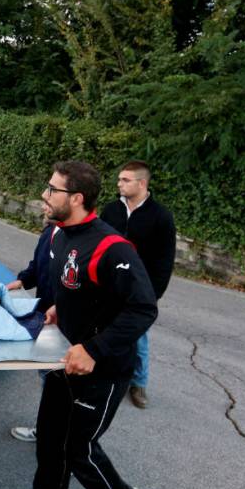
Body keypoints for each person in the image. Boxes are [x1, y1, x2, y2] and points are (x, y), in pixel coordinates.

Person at [5, 160, 157, 489]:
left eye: (51, 189)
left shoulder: (112, 247)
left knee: (80, 450)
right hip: (63, 358)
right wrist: (57, 308)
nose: (44, 194)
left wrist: (94, 348)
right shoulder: (57, 235)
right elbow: (68, 285)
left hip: (103, 368)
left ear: (75, 198)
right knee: (51, 436)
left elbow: (142, 308)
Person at [100, 160, 176, 409]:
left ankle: (138, 383)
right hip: (108, 285)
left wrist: (152, 294)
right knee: (102, 329)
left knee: (138, 338)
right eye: (119, 179)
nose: (119, 183)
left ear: (142, 183)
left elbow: (165, 260)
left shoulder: (161, 216)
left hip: (140, 290)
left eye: (125, 180)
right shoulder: (111, 210)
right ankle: (103, 375)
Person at [6, 219, 56, 442]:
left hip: (65, 325)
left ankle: (53, 435)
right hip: (46, 318)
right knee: (49, 377)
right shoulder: (50, 232)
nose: (45, 201)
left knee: (56, 380)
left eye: (51, 193)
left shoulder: (80, 240)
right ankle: (49, 429)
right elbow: (38, 265)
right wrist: (23, 280)